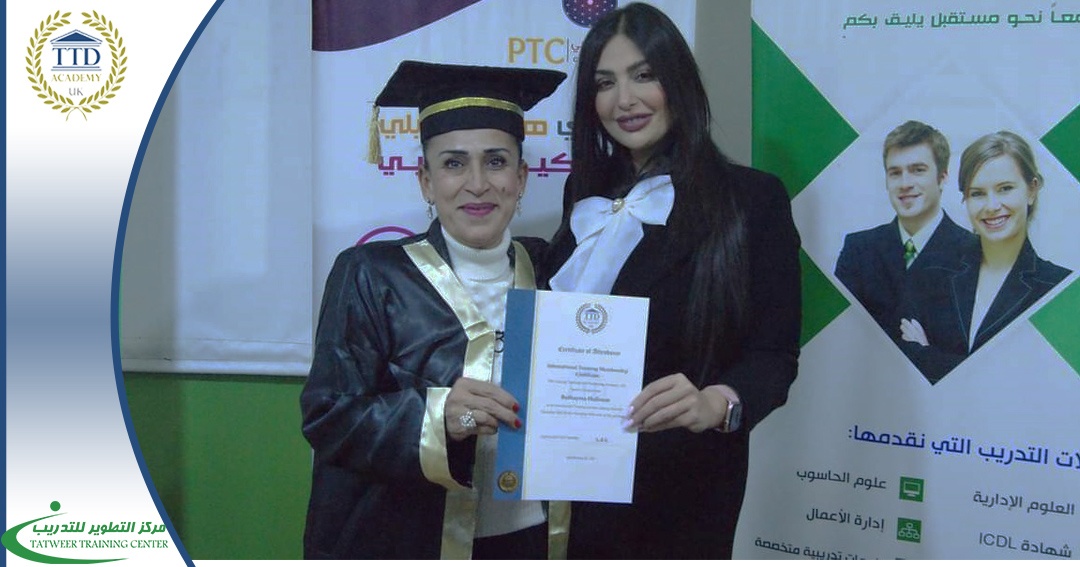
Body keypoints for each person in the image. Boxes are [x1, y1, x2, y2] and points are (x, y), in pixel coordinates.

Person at [545, 3, 801, 558]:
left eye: (644, 75)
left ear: (678, 81)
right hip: (572, 474)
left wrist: (717, 403)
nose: (624, 100)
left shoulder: (752, 200)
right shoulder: (584, 194)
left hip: (684, 489)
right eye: (605, 83)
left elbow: (774, 355)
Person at [300, 61, 569, 559]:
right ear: (425, 180)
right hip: (410, 539)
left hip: (534, 538)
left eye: (496, 161)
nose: (477, 183)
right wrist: (439, 414)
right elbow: (328, 417)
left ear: (521, 177)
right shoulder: (371, 275)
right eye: (453, 164)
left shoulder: (555, 271)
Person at [898, 131, 1071, 383]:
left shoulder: (1058, 286)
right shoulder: (932, 270)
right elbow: (900, 361)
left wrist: (929, 356)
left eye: (1005, 189)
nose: (991, 206)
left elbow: (1039, 381)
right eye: (977, 193)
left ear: (1032, 190)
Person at [835, 120, 977, 342]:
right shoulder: (858, 250)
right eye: (895, 173)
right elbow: (840, 334)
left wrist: (927, 353)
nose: (905, 183)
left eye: (917, 170)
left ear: (942, 178)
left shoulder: (976, 252)